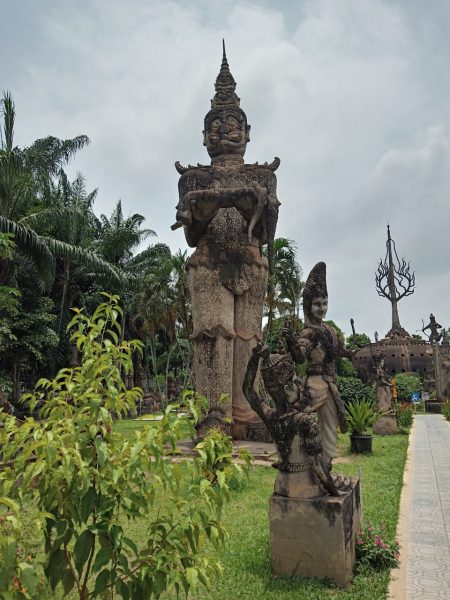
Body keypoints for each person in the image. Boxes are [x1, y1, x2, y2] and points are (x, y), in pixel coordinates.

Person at [242, 341, 341, 496]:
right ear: (288, 389)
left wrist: (254, 358)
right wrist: (336, 492)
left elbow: (248, 389)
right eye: (296, 382)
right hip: (304, 487)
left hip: (281, 485)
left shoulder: (270, 416)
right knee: (342, 482)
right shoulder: (306, 422)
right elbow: (318, 468)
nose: (301, 385)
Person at [283, 262, 353, 470]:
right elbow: (300, 358)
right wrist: (291, 342)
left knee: (330, 428)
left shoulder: (329, 330)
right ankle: (296, 460)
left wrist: (351, 353)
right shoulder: (309, 333)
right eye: (317, 304)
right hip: (314, 384)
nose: (321, 308)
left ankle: (326, 467)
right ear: (308, 306)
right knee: (300, 421)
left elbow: (335, 352)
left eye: (324, 303)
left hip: (330, 385)